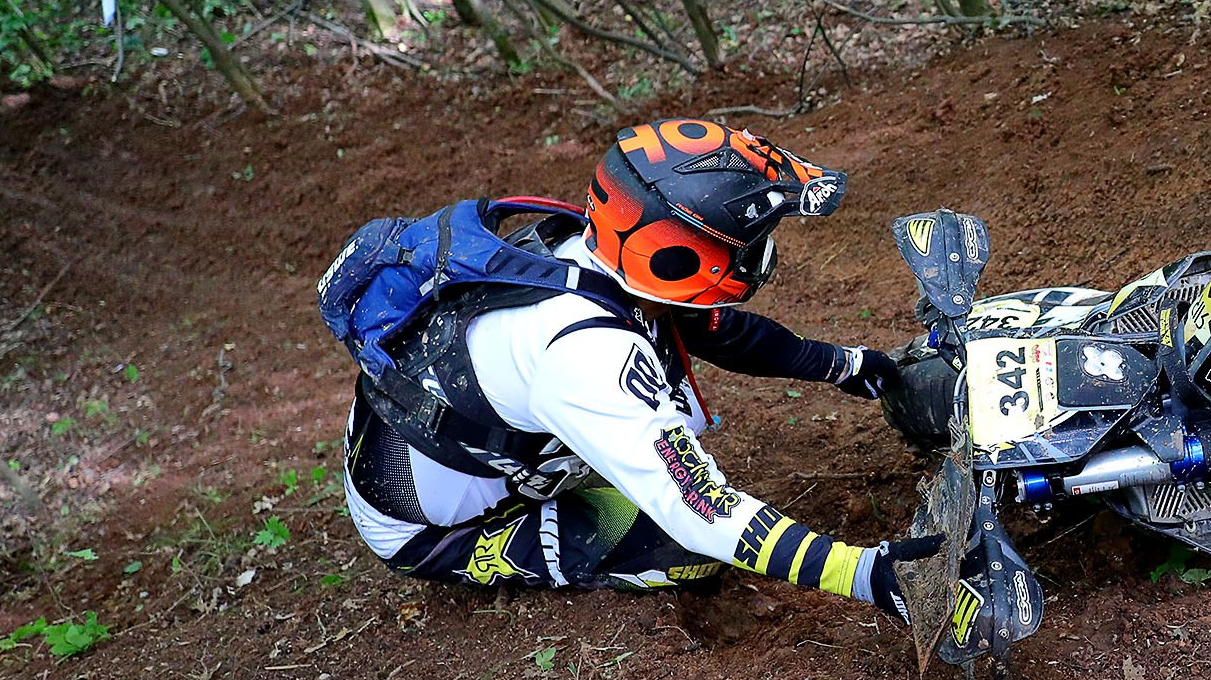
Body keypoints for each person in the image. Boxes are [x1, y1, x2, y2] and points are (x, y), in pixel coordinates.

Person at [335, 118, 938, 621]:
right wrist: (871, 573)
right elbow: (702, 512)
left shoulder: (588, 253)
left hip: (433, 442)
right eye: (746, 242)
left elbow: (718, 330)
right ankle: (480, 549)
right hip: (430, 524)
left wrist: (858, 368)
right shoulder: (585, 355)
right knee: (683, 548)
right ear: (681, 252)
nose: (757, 254)